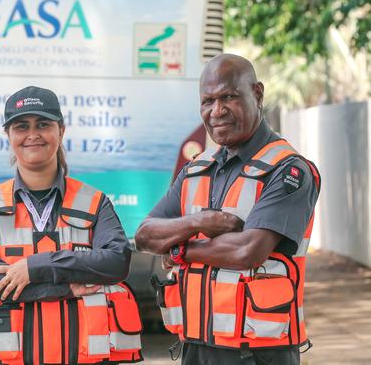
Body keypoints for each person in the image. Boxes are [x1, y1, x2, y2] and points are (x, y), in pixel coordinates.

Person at [135, 53, 321, 364]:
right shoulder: (196, 170)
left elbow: (248, 250)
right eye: (207, 101)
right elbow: (145, 236)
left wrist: (181, 250)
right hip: (196, 344)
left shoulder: (288, 170)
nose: (216, 111)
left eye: (228, 97)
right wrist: (199, 222)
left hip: (258, 351)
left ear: (257, 94)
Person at [0, 86, 143, 364]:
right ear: (8, 135)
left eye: (43, 124)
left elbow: (116, 262)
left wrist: (37, 267)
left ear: (61, 130)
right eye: (22, 126)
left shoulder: (94, 202)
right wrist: (65, 288)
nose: (33, 134)